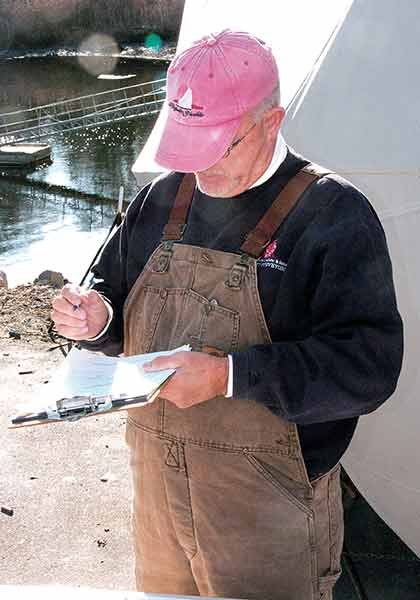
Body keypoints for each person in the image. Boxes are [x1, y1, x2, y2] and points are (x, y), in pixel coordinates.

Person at [51, 30, 403, 600]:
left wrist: (230, 376)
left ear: (272, 121)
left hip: (268, 508)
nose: (200, 167)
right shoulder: (159, 200)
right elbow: (111, 293)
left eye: (219, 146)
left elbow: (369, 369)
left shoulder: (335, 215)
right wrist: (96, 319)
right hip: (158, 496)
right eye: (188, 145)